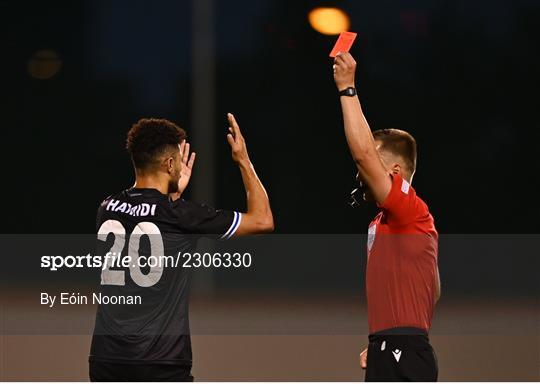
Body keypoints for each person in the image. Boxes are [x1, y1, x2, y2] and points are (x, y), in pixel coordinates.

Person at [89, 113, 273, 381]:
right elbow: (262, 220)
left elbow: (148, 219)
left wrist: (171, 195)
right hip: (160, 362)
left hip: (106, 359)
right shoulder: (181, 215)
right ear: (171, 163)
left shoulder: (107, 208)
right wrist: (243, 160)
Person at [333, 52, 440, 381]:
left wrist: (347, 87)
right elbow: (433, 288)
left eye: (374, 165)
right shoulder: (382, 222)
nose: (362, 171)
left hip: (404, 353)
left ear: (395, 172)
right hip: (388, 346)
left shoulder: (411, 209)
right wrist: (388, 336)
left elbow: (363, 153)